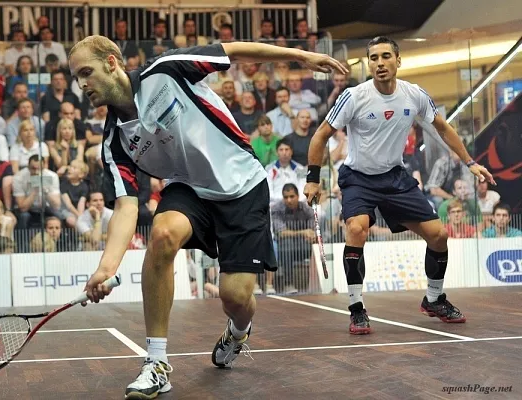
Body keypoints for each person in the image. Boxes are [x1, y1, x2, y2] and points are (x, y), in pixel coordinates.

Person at [67, 35, 347, 399]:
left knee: (235, 296)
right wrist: (106, 267)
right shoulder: (115, 142)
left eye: (86, 72)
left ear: (111, 62)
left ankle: (239, 329)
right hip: (189, 189)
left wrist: (301, 56)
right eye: (76, 77)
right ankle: (156, 363)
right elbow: (126, 205)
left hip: (243, 185)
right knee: (162, 234)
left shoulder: (165, 71)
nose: (82, 84)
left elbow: (233, 50)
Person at [303, 36, 496, 335]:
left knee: (439, 235)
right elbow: (320, 135)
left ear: (398, 60)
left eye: (385, 57)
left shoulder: (414, 94)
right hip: (358, 178)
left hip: (395, 177)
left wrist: (470, 162)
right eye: (374, 58)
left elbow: (442, 127)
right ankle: (356, 308)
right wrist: (312, 179)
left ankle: (434, 299)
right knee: (356, 229)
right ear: (369, 64)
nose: (379, 63)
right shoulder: (354, 96)